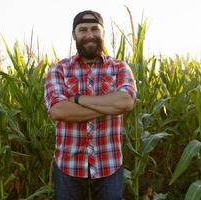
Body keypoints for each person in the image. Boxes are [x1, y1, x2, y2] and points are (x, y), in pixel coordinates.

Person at [44, 10, 137, 200]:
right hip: (69, 166)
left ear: (103, 33)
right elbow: (58, 110)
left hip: (109, 165)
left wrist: (78, 99)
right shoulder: (59, 69)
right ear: (74, 35)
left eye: (95, 29)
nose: (89, 35)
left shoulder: (120, 68)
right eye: (82, 30)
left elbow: (126, 102)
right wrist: (110, 106)